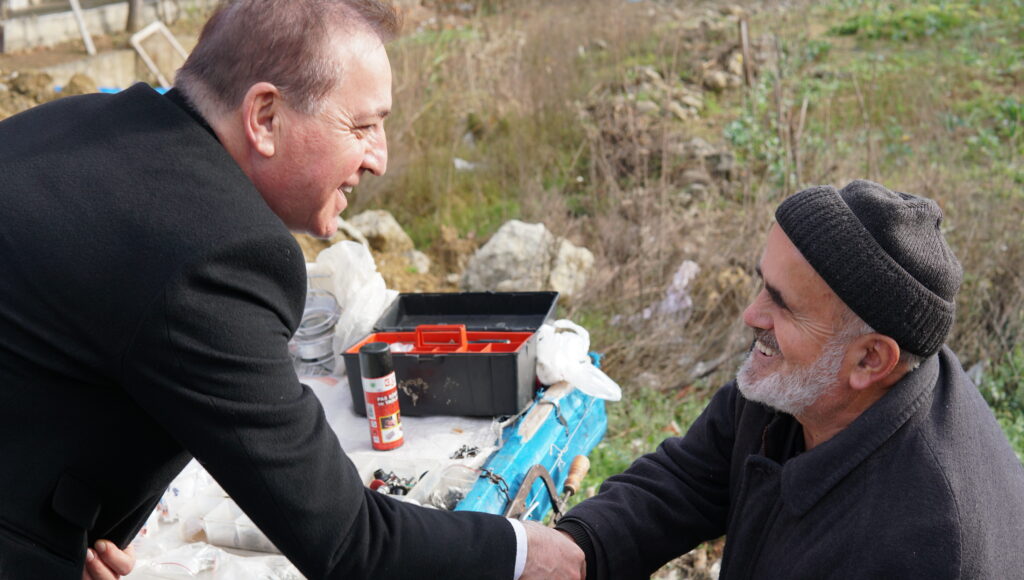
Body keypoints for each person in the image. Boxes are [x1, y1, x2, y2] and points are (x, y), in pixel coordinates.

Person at [0, 1, 583, 579]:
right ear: (265, 117)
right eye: (362, 126)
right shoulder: (217, 253)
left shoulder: (71, 125)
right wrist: (523, 552)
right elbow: (348, 542)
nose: (379, 158)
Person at [555, 180, 1024, 579]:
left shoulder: (924, 544)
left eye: (782, 304)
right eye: (763, 284)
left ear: (870, 359)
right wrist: (580, 548)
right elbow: (691, 479)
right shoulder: (802, 380)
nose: (751, 315)